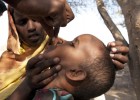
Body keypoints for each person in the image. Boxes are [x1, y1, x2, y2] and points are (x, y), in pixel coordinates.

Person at [1, 5, 128, 100]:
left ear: (46, 19)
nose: (31, 27)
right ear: (12, 25)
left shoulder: (55, 47)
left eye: (36, 19)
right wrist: (27, 86)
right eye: (22, 22)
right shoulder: (3, 53)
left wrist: (100, 66)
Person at [9, 34, 116, 100]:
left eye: (72, 44)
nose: (61, 41)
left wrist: (26, 85)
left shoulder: (51, 97)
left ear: (75, 73)